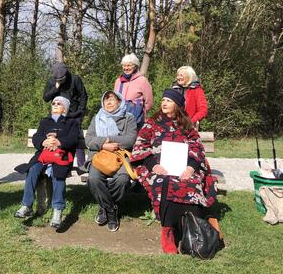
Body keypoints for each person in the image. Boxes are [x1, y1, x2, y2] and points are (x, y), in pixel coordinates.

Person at [130, 89, 218, 254]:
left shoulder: (187, 124)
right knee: (163, 183)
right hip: (158, 167)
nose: (164, 103)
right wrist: (153, 166)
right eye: (163, 100)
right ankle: (168, 231)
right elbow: (140, 146)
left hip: (185, 167)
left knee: (191, 185)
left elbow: (197, 147)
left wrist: (191, 167)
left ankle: (192, 228)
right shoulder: (151, 123)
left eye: (168, 101)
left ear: (177, 105)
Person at [14, 96, 79, 228]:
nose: (55, 105)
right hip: (44, 155)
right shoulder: (45, 122)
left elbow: (73, 139)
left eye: (59, 103)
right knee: (32, 170)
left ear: (65, 108)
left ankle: (57, 210)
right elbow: (37, 137)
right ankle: (26, 205)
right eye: (53, 103)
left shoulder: (71, 122)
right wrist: (43, 142)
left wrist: (59, 142)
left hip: (62, 155)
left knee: (58, 175)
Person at [84, 90, 137, 232]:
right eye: (106, 99)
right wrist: (104, 144)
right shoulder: (97, 118)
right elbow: (88, 140)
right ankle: (111, 210)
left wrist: (108, 140)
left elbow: (130, 139)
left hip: (120, 156)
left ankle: (104, 206)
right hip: (99, 155)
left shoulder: (128, 118)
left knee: (122, 180)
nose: (108, 102)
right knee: (93, 179)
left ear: (119, 101)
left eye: (112, 99)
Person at [43, 62, 87, 168]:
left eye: (62, 79)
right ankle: (62, 164)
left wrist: (81, 111)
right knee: (58, 138)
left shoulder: (75, 79)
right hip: (57, 115)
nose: (60, 80)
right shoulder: (51, 81)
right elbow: (46, 98)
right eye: (58, 79)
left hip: (74, 114)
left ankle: (82, 167)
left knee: (76, 138)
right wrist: (56, 88)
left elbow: (83, 96)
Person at [113, 53, 153, 129]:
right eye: (124, 65)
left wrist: (140, 112)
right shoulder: (118, 81)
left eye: (129, 65)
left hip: (136, 120)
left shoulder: (142, 81)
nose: (126, 68)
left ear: (135, 66)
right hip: (119, 119)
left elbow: (149, 102)